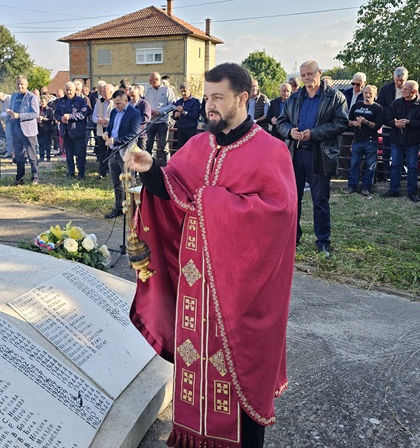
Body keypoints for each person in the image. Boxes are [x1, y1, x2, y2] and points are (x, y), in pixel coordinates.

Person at [125, 62, 296, 448]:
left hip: (241, 292)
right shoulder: (199, 145)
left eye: (218, 98)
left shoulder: (271, 152)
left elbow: (278, 214)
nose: (210, 107)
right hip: (194, 286)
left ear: (243, 98)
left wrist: (207, 200)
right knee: (194, 367)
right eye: (207, 98)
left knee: (240, 372)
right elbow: (175, 188)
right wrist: (152, 169)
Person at [276, 60, 348, 256]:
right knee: (293, 199)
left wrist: (314, 133)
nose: (307, 78)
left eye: (310, 74)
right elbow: (281, 122)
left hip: (320, 154)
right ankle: (293, 238)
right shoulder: (295, 97)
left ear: (319, 72)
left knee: (320, 200)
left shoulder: (335, 97)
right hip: (296, 154)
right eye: (304, 75)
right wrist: (290, 132)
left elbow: (341, 122)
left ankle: (323, 242)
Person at [381, 80, 420, 202]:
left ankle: (412, 191)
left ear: (414, 91)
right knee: (395, 165)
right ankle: (393, 189)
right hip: (397, 139)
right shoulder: (396, 103)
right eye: (403, 89)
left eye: (406, 89)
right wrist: (395, 123)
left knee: (412, 166)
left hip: (413, 140)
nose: (403, 90)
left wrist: (409, 122)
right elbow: (387, 118)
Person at [102, 89, 141, 219]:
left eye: (118, 103)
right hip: (113, 151)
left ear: (126, 100)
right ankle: (118, 207)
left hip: (126, 151)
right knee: (116, 182)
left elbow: (133, 134)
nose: (116, 106)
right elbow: (110, 127)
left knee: (129, 181)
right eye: (115, 103)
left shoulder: (134, 113)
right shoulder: (114, 111)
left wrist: (116, 140)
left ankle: (133, 210)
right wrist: (106, 133)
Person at [345, 85, 384, 196]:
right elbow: (347, 120)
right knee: (354, 164)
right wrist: (354, 123)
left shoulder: (378, 108)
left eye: (370, 93)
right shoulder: (356, 106)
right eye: (366, 92)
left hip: (371, 141)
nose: (367, 95)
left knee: (370, 166)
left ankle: (366, 187)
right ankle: (352, 186)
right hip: (357, 139)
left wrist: (365, 121)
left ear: (375, 94)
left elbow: (377, 126)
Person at [7, 75, 41, 185]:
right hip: (16, 130)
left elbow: (35, 113)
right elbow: (12, 111)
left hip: (28, 131)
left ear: (27, 85)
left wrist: (19, 115)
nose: (20, 86)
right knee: (19, 156)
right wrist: (9, 115)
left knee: (32, 155)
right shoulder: (13, 96)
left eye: (22, 84)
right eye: (18, 84)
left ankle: (35, 177)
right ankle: (19, 178)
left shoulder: (32, 97)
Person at [376, 66, 408, 181]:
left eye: (402, 81)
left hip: (404, 126)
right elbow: (380, 105)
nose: (399, 83)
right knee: (386, 150)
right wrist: (392, 118)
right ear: (393, 78)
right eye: (397, 80)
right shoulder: (386, 89)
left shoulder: (409, 88)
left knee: (403, 151)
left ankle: (402, 173)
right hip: (388, 124)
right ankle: (386, 173)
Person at [54, 81, 91, 179]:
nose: (68, 92)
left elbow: (83, 114)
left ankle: (81, 173)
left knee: (80, 154)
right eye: (67, 90)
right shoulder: (61, 101)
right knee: (69, 153)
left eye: (70, 90)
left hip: (77, 131)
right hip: (65, 131)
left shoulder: (81, 101)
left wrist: (70, 116)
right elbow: (56, 113)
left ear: (75, 90)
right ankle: (71, 171)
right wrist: (60, 118)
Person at [144, 71, 176, 166]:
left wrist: (160, 111)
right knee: (148, 145)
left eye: (151, 81)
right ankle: (150, 166)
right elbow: (146, 104)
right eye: (149, 81)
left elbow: (172, 105)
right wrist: (149, 112)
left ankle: (166, 166)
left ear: (157, 80)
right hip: (151, 121)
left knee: (163, 145)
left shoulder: (167, 90)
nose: (150, 83)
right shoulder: (149, 91)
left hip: (162, 121)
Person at [92, 83, 114, 178]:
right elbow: (94, 116)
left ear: (111, 92)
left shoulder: (115, 102)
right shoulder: (99, 102)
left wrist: (109, 121)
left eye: (105, 91)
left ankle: (113, 171)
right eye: (102, 91)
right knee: (102, 152)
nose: (102, 93)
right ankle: (102, 172)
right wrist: (98, 120)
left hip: (112, 130)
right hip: (101, 129)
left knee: (113, 151)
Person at [172, 82, 201, 150]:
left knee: (191, 148)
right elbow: (174, 115)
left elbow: (195, 116)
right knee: (181, 148)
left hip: (191, 128)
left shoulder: (195, 101)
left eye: (185, 91)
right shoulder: (179, 102)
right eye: (181, 91)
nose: (183, 93)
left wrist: (183, 112)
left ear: (189, 90)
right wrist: (175, 115)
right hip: (180, 128)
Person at [129, 84, 151, 151]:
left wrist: (134, 121)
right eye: (130, 96)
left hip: (141, 134)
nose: (132, 98)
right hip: (130, 135)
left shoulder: (144, 104)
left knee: (142, 155)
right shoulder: (128, 105)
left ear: (138, 93)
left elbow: (146, 117)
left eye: (133, 95)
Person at [37, 95, 55, 162]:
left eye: (43, 102)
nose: (42, 103)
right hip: (40, 129)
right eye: (41, 102)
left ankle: (48, 156)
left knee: (48, 144)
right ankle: (41, 156)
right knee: (40, 143)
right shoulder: (38, 109)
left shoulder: (49, 110)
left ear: (46, 102)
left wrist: (43, 119)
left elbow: (51, 119)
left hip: (47, 129)